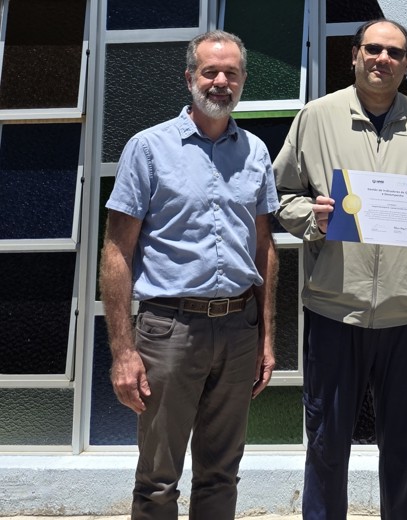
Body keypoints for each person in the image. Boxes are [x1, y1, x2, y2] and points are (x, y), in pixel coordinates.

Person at [272, 19, 407, 520]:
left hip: (405, 312)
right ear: (354, 55)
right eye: (373, 49)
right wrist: (314, 218)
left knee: (403, 449)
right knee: (327, 444)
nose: (382, 59)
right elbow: (281, 195)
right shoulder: (316, 117)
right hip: (334, 308)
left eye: (394, 52)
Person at [100, 30, 278, 520]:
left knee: (222, 474)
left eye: (231, 73)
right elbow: (117, 251)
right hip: (169, 329)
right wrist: (123, 351)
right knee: (158, 480)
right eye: (210, 72)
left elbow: (264, 248)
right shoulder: (148, 148)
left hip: (238, 329)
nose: (221, 82)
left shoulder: (256, 152)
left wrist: (266, 336)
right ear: (189, 78)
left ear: (243, 80)